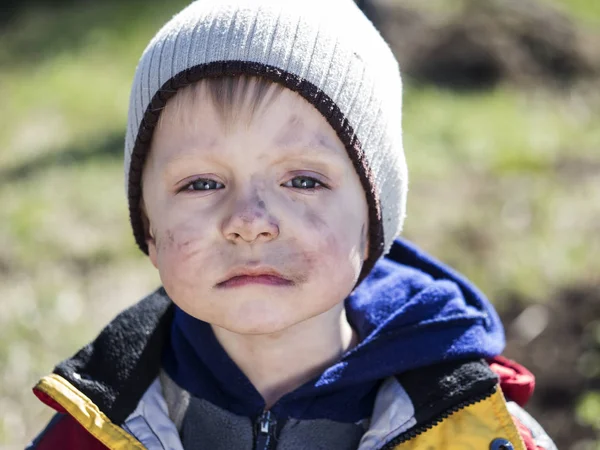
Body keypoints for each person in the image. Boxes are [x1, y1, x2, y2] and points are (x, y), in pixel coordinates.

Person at [27, 0, 556, 449]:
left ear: (374, 220)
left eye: (303, 181)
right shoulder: (92, 425)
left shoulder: (477, 429)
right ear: (148, 227)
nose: (249, 222)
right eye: (202, 183)